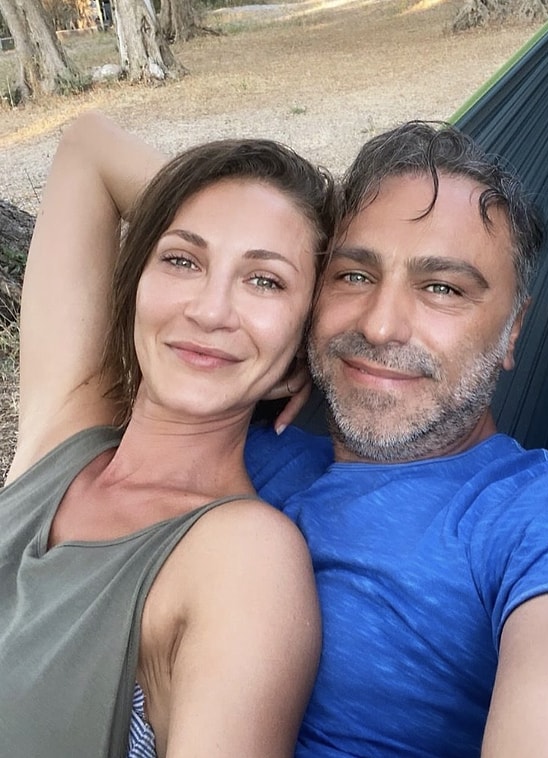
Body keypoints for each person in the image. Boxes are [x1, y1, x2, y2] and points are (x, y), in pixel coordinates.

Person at [245, 122, 548, 756]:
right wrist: (268, 337)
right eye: (354, 275)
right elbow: (92, 157)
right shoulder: (246, 450)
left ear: (514, 331)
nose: (380, 326)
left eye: (443, 288)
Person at [0, 111, 337, 756]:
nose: (210, 311)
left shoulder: (241, 559)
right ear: (137, 282)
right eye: (182, 260)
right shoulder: (66, 430)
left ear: (304, 338)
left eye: (265, 281)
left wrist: (306, 347)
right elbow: (88, 147)